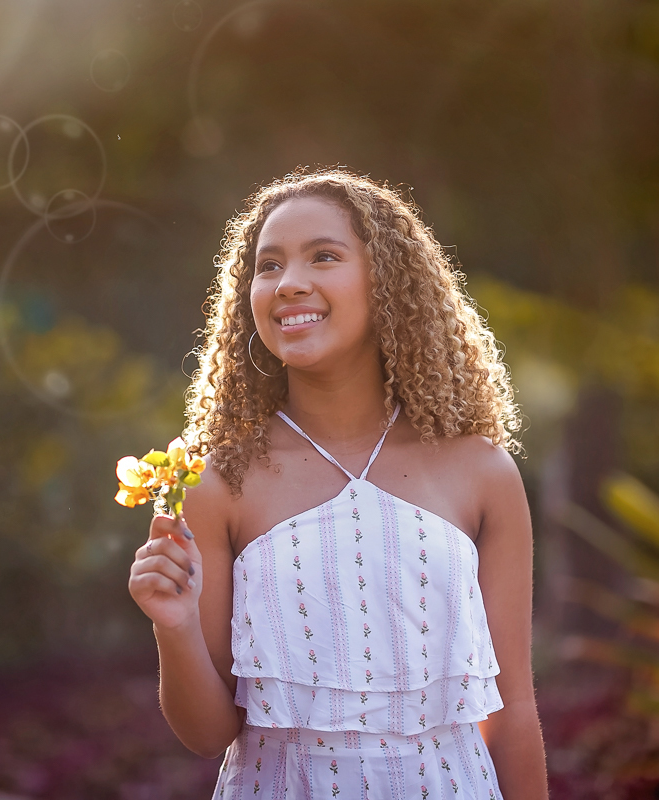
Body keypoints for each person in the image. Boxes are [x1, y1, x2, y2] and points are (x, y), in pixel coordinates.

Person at [127, 169, 548, 799]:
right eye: (267, 266)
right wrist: (174, 624)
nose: (289, 282)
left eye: (324, 256)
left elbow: (511, 709)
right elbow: (208, 733)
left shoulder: (482, 472)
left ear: (390, 286)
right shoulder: (219, 482)